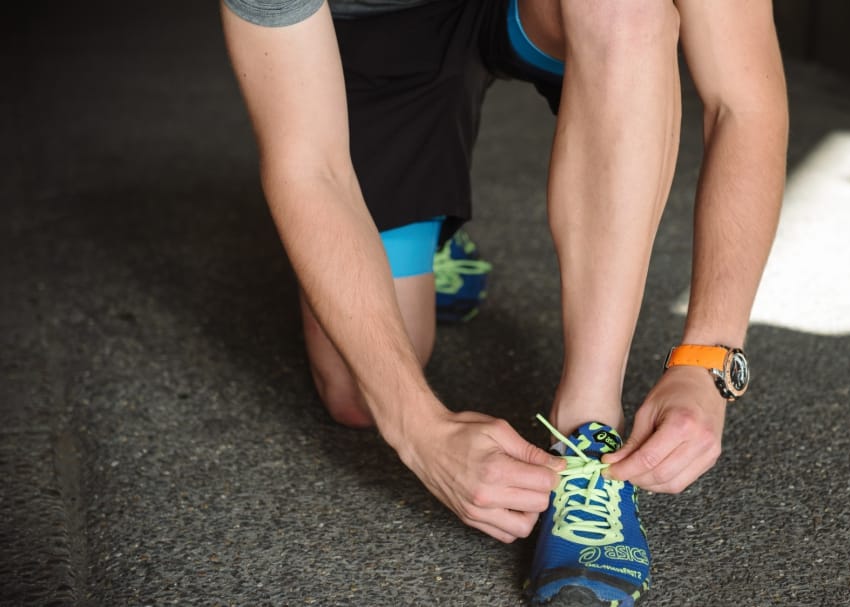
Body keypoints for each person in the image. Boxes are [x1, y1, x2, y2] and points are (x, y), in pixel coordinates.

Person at [220, 0, 787, 604]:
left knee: (626, 10)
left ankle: (586, 426)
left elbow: (743, 101)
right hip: (380, 29)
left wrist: (708, 359)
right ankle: (434, 236)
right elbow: (309, 167)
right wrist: (418, 428)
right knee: (360, 395)